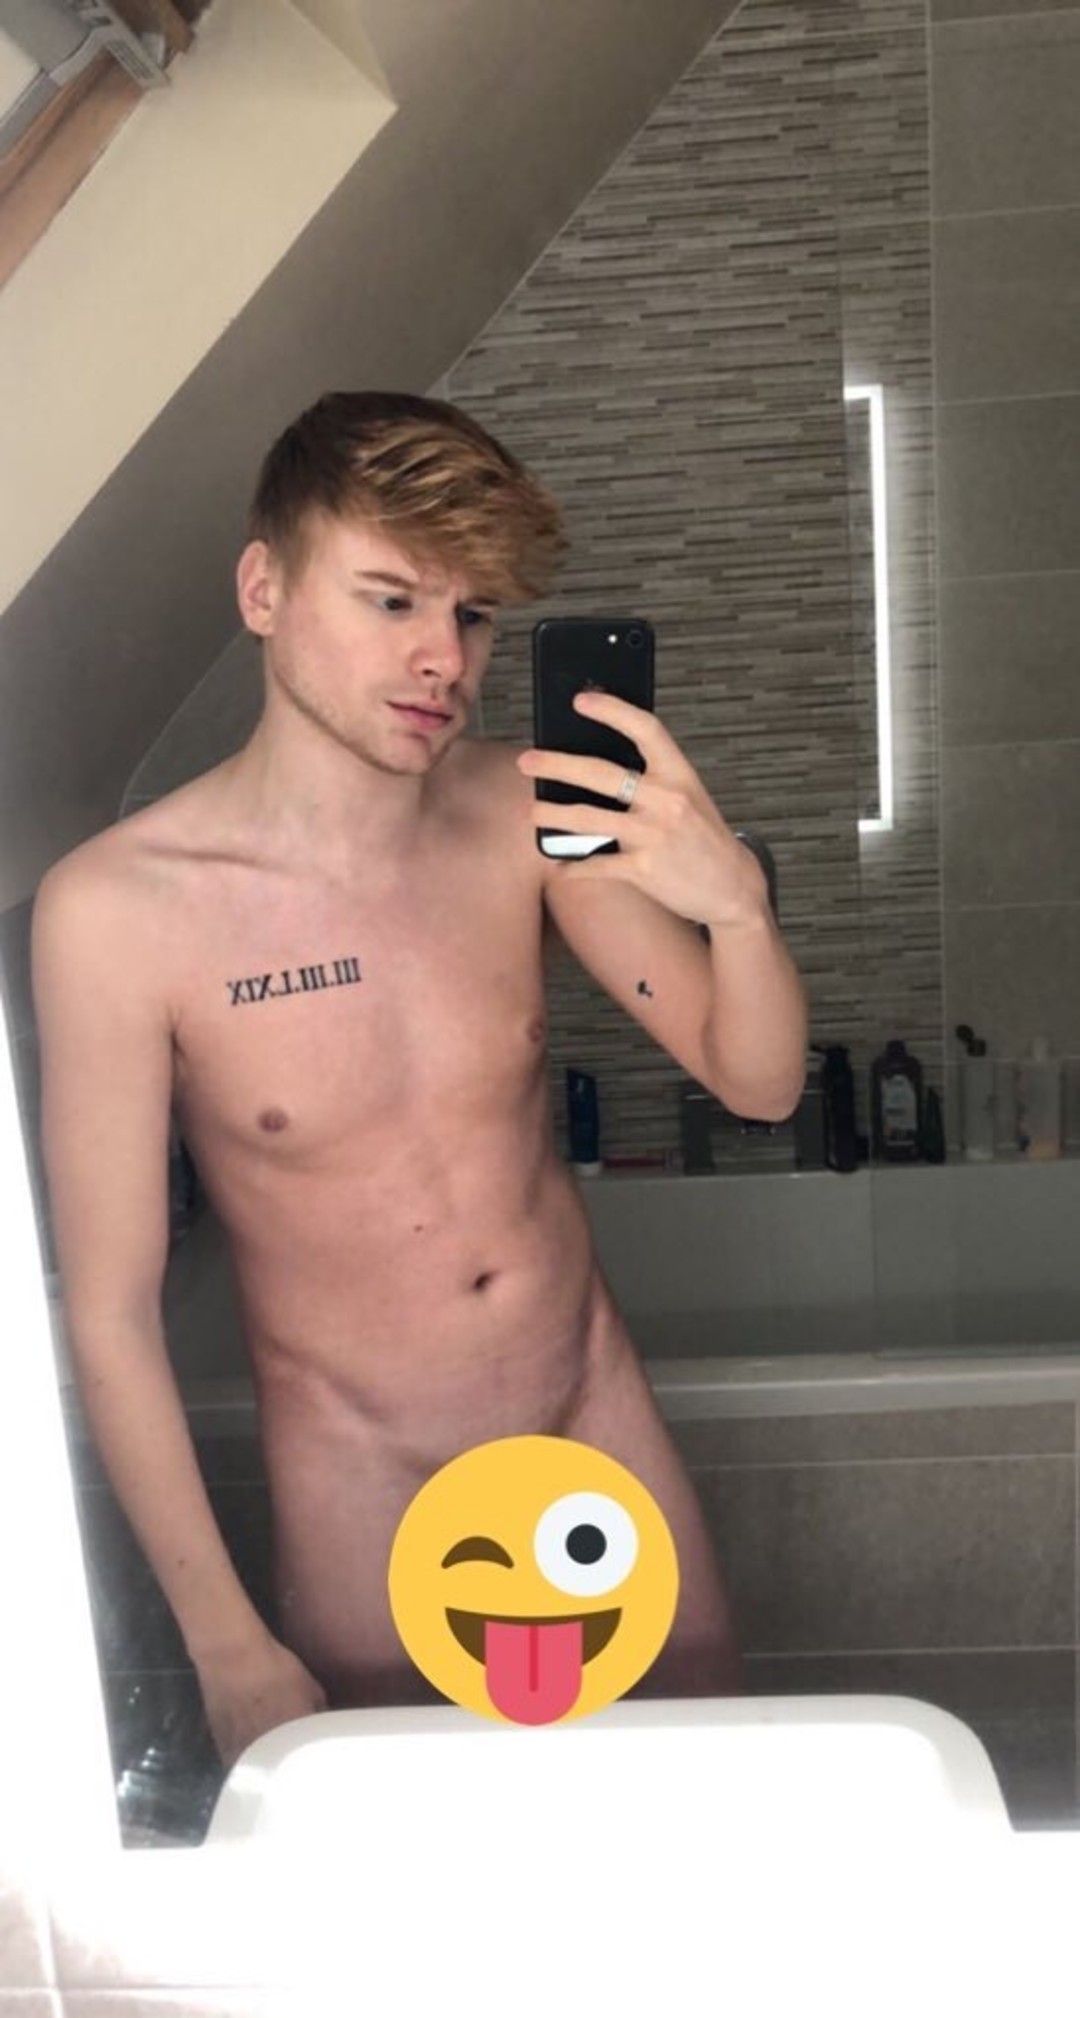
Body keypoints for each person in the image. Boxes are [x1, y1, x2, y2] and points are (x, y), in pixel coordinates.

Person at [32, 391, 807, 1768]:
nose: (441, 658)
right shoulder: (115, 912)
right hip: (365, 1488)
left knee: (696, 1819)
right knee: (412, 1880)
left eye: (472, 616)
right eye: (390, 600)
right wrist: (224, 1643)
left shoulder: (524, 811)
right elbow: (110, 1315)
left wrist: (734, 906)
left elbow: (759, 1084)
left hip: (592, 1432)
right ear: (263, 590)